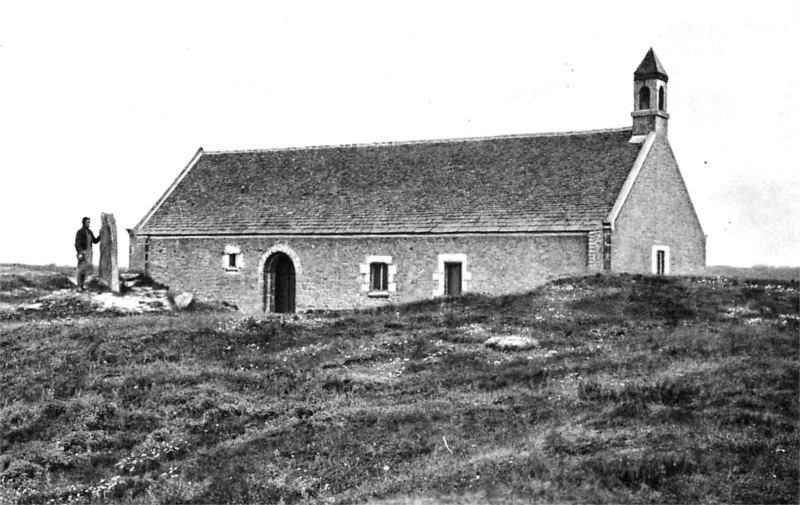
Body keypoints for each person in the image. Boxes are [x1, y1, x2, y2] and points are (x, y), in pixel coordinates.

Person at [75, 217, 101, 290]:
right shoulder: (80, 232)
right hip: (83, 252)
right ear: (83, 222)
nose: (88, 224)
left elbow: (95, 241)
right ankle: (79, 286)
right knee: (80, 269)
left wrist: (100, 235)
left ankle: (82, 286)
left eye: (89, 222)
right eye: (87, 222)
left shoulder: (90, 232)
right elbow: (77, 243)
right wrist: (79, 253)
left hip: (89, 253)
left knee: (85, 270)